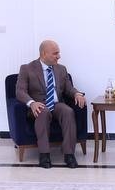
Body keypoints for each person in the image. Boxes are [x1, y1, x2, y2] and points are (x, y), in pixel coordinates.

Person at [15, 39, 87, 168]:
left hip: (56, 104)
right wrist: (32, 103)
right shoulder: (27, 68)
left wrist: (77, 94)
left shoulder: (61, 69)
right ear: (44, 54)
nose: (59, 56)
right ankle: (44, 154)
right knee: (43, 112)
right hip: (38, 105)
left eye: (58, 53)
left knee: (68, 111)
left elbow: (69, 89)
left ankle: (69, 154)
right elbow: (20, 91)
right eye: (55, 53)